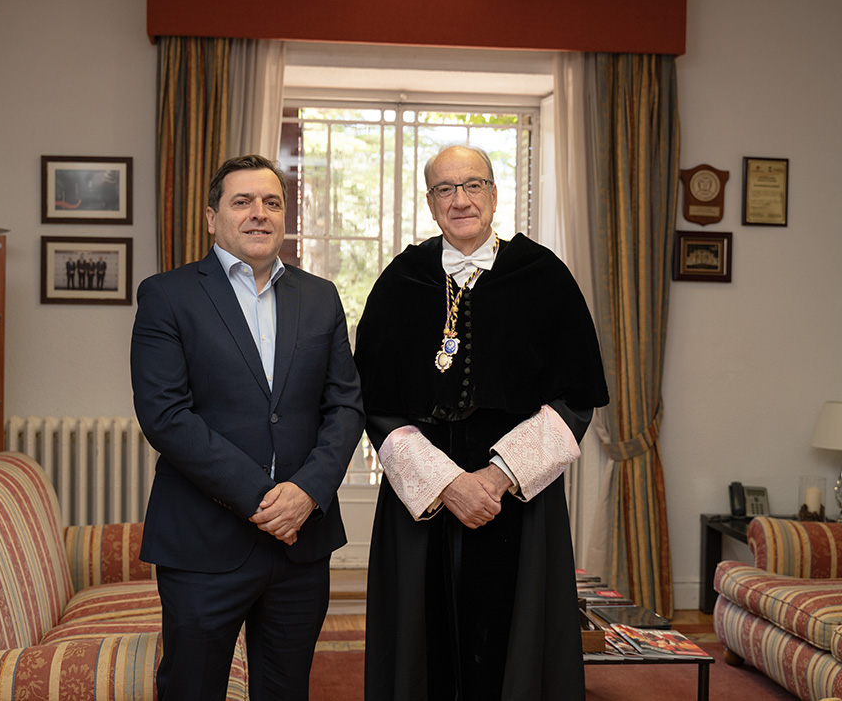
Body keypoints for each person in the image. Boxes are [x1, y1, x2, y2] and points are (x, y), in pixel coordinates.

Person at [354, 145, 610, 700]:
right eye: (445, 189)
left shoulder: (543, 277)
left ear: (494, 195)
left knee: (513, 646)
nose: (461, 200)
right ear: (430, 203)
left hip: (517, 494)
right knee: (420, 649)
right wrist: (448, 484)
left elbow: (575, 399)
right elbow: (374, 404)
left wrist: (495, 479)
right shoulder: (402, 281)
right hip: (424, 494)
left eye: (473, 185)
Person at [131, 154, 365, 701]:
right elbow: (165, 415)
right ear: (212, 217)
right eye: (243, 201)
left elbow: (346, 406)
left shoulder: (320, 296)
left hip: (301, 544)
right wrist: (265, 500)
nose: (259, 213)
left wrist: (306, 493)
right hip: (202, 543)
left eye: (272, 202)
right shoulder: (167, 295)